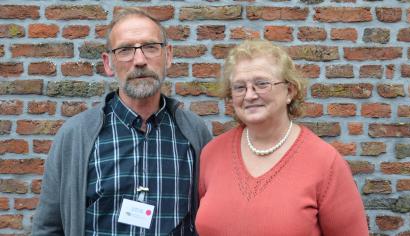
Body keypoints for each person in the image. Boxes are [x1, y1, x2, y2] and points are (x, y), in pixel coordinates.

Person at [32, 7, 211, 236]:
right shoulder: (76, 136)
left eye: (150, 47)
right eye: (126, 50)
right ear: (108, 63)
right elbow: (48, 228)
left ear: (168, 56)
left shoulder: (194, 133)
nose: (139, 60)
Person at [195, 39, 368, 236]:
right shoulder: (212, 154)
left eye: (262, 84)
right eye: (239, 87)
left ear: (289, 91)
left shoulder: (325, 163)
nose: (250, 95)